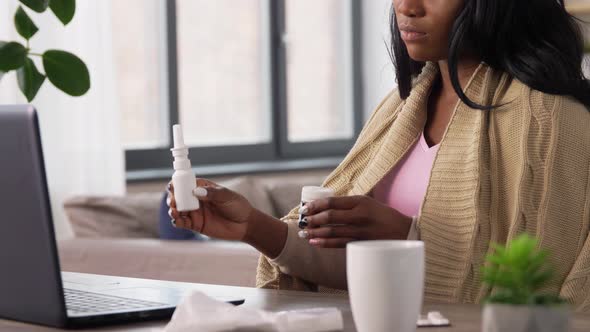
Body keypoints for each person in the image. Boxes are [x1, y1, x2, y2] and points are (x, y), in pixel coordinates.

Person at [168, 0, 590, 310]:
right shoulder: (398, 108)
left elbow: (539, 290)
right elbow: (352, 267)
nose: (407, 7)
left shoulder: (551, 121)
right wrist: (253, 226)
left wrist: (406, 238)